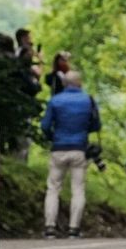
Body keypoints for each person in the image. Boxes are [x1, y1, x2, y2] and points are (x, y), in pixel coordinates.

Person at [40, 69, 100, 239]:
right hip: (79, 149)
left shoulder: (55, 100)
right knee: (78, 189)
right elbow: (96, 125)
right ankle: (74, 228)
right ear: (79, 83)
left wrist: (54, 137)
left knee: (53, 188)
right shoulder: (88, 100)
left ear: (65, 83)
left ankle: (50, 226)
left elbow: (45, 126)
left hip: (58, 148)